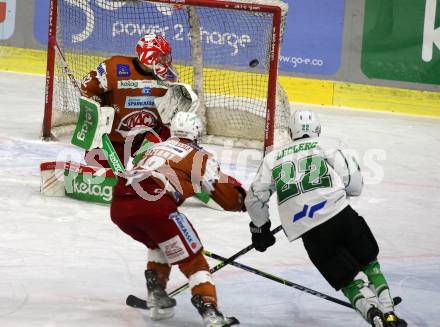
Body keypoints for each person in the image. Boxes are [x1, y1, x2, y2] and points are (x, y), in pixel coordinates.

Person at [244, 110, 407, 327]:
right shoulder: (329, 144)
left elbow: (254, 200)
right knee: (369, 262)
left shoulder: (272, 158)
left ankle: (374, 318)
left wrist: (261, 229)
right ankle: (388, 311)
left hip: (310, 230)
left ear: (291, 133)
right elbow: (354, 184)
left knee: (347, 280)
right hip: (341, 215)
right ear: (318, 130)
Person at [110, 112, 244, 326]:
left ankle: (157, 295)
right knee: (194, 260)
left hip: (120, 206)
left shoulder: (155, 147)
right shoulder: (199, 154)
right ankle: (210, 311)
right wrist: (243, 202)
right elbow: (225, 197)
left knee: (159, 242)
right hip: (155, 206)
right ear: (197, 133)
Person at [80, 33, 178, 167]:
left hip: (147, 137)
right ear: (148, 56)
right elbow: (88, 87)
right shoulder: (114, 67)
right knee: (105, 178)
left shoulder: (169, 77)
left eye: (167, 55)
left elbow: (173, 109)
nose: (166, 60)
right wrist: (97, 109)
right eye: (161, 56)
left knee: (157, 173)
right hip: (112, 137)